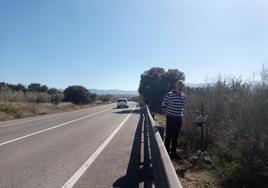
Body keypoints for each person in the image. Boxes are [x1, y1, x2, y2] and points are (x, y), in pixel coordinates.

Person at [161, 80, 186, 159]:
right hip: (170, 118)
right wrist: (167, 113)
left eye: (182, 85)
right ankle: (166, 153)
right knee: (168, 136)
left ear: (183, 87)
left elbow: (183, 107)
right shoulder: (169, 95)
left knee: (175, 136)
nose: (180, 87)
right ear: (176, 86)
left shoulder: (183, 96)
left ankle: (173, 153)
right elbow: (163, 105)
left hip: (179, 119)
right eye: (179, 85)